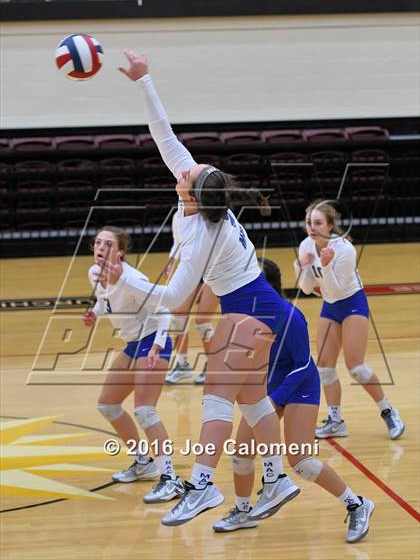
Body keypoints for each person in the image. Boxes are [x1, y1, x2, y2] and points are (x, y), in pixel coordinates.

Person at [99, 49, 301, 527]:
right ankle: (277, 478)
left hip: (252, 310)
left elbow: (172, 298)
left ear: (190, 192)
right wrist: (144, 80)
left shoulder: (202, 238)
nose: (184, 166)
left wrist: (125, 276)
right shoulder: (198, 200)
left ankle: (204, 488)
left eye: (189, 171)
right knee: (251, 401)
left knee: (215, 400)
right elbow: (163, 136)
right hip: (263, 307)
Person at [213, 257, 374, 544]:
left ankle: (357, 504)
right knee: (240, 455)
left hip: (299, 386)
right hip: (268, 391)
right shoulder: (245, 315)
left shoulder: (289, 316)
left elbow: (302, 365)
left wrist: (274, 399)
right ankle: (242, 511)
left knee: (301, 460)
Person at [83, 225, 183, 504]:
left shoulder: (133, 279)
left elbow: (164, 312)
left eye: (108, 245)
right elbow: (106, 302)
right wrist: (94, 313)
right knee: (108, 405)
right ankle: (143, 462)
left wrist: (157, 346)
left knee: (145, 410)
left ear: (121, 252)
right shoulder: (94, 273)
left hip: (153, 341)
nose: (100, 248)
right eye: (98, 243)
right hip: (132, 343)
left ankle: (170, 478)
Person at [294, 200, 404, 440]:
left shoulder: (344, 249)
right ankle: (336, 421)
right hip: (330, 306)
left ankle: (388, 411)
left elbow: (336, 288)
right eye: (309, 223)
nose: (312, 227)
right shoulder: (305, 246)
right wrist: (302, 268)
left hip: (352, 303)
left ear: (331, 225)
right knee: (324, 367)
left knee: (356, 368)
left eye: (318, 223)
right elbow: (305, 288)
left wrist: (324, 266)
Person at [163, 212, 218, 385]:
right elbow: (178, 242)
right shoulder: (178, 215)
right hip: (192, 269)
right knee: (177, 314)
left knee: (202, 320)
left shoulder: (210, 213)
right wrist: (172, 260)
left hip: (214, 269)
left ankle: (213, 366)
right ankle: (182, 364)